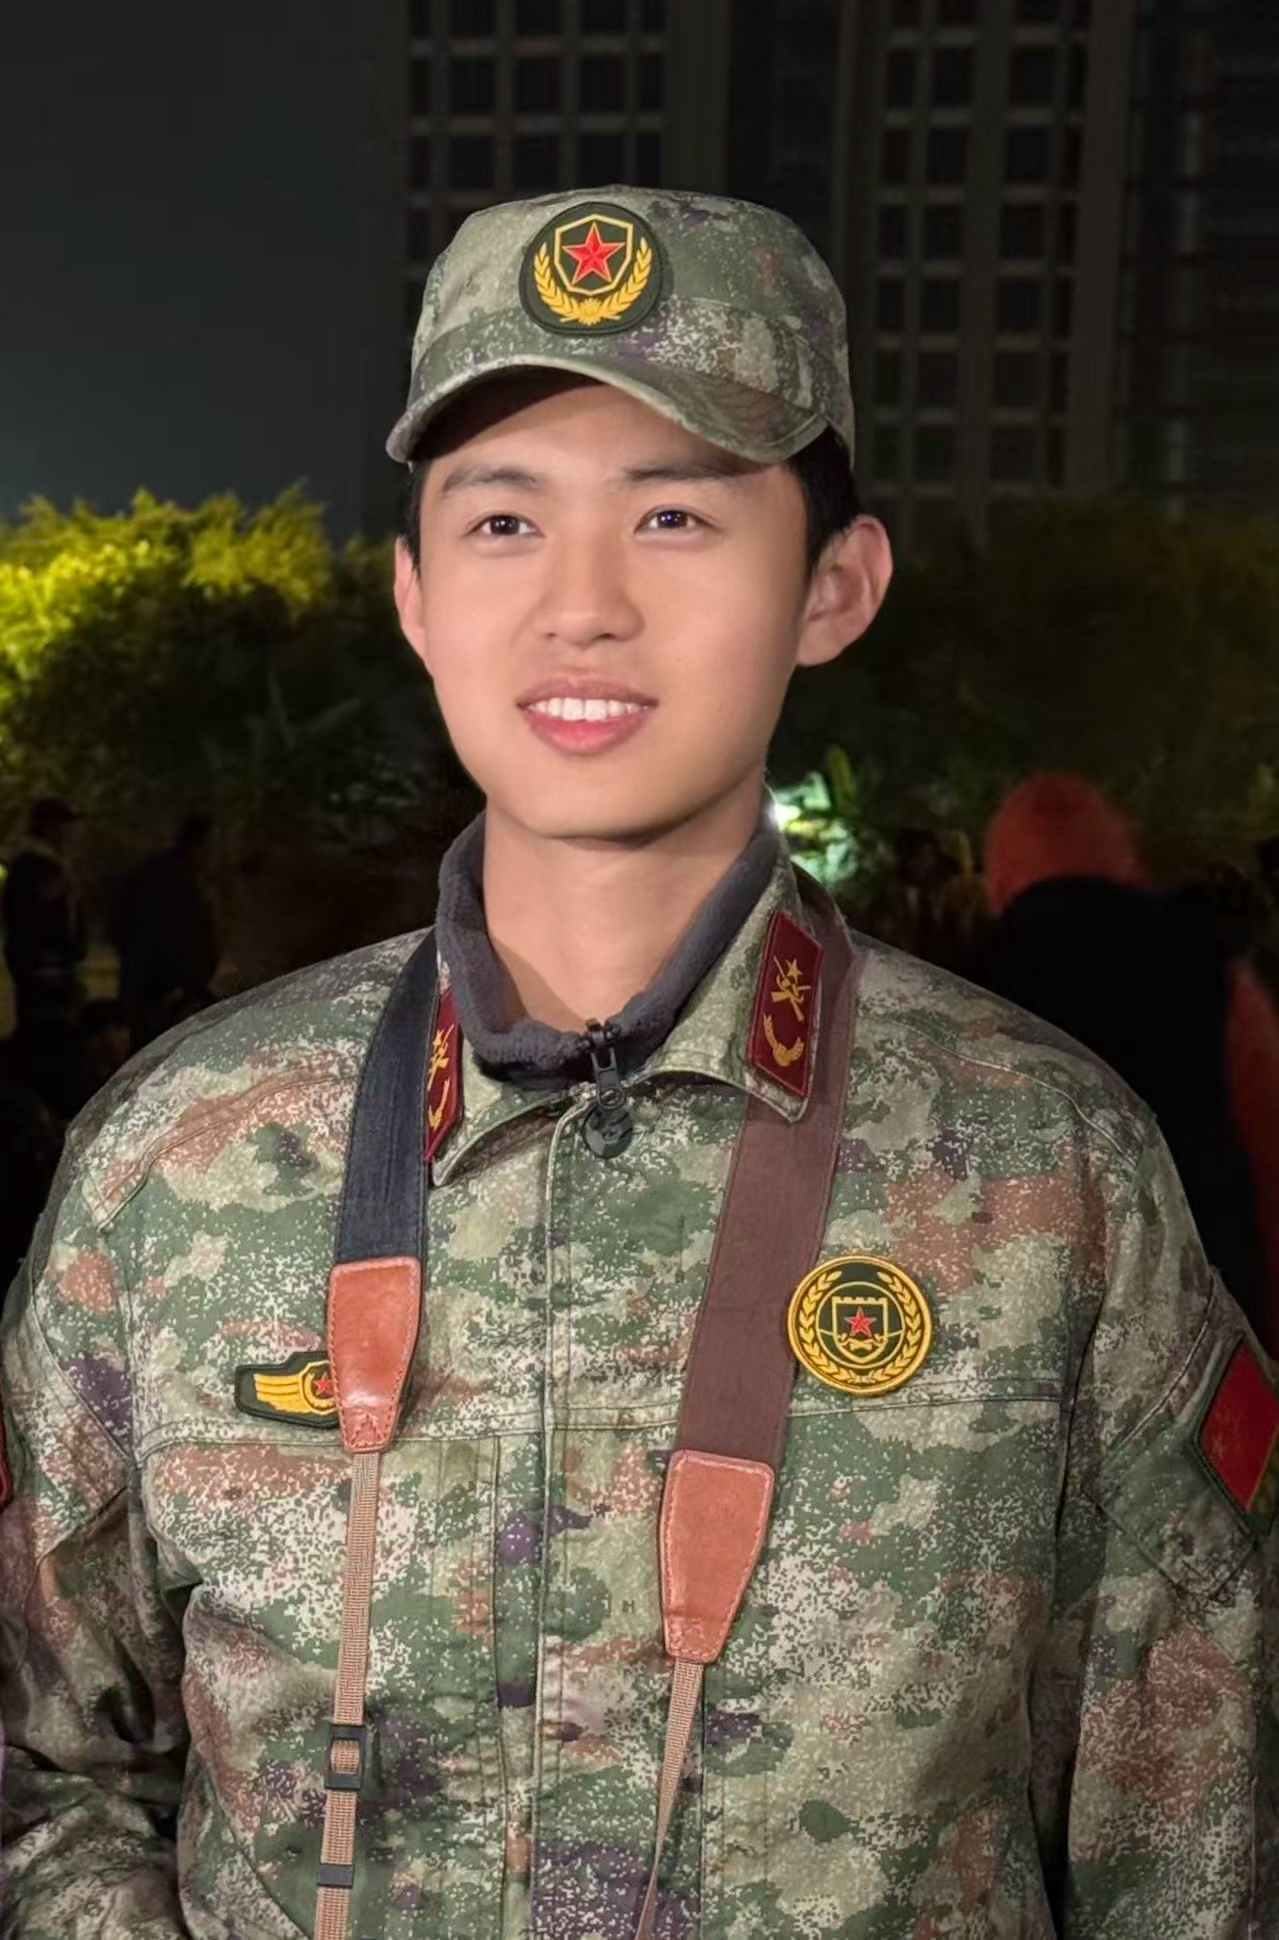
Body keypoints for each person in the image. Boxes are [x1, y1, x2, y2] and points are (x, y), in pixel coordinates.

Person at [0, 188, 1275, 1940]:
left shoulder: (1041, 1172)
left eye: (672, 514)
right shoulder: (183, 1157)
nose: (581, 604)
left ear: (832, 586)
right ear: (413, 593)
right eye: (502, 520)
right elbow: (51, 1771)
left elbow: (1189, 1843)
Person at [981, 772, 1279, 1354]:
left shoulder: (966, 991)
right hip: (1211, 1328)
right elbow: (1270, 1146)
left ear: (999, 873)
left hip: (1040, 1345)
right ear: (1120, 851)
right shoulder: (1208, 965)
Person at [111, 813, 220, 1048]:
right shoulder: (170, 881)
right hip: (160, 991)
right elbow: (171, 937)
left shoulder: (169, 876)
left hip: (159, 989)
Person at [1, 797, 86, 1034]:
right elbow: (21, 913)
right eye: (65, 826)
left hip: (56, 959)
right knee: (43, 1023)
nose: (70, 833)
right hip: (43, 962)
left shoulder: (55, 863)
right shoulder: (30, 864)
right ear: (50, 827)